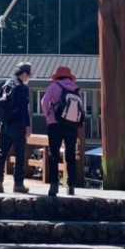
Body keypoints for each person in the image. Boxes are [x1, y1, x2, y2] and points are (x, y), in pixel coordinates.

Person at [40, 66, 82, 199]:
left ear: (57, 76)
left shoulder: (54, 86)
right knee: (70, 155)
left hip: (55, 124)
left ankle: (54, 186)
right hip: (71, 126)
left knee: (54, 155)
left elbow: (44, 102)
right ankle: (71, 186)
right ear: (69, 77)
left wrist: (48, 116)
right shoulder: (75, 88)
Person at [0, 62, 33, 194]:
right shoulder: (22, 88)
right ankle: (18, 184)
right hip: (17, 126)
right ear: (24, 74)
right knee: (20, 155)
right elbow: (24, 110)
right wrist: (27, 126)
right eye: (29, 75)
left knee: (1, 153)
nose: (29, 77)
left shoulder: (3, 84)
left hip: (3, 124)